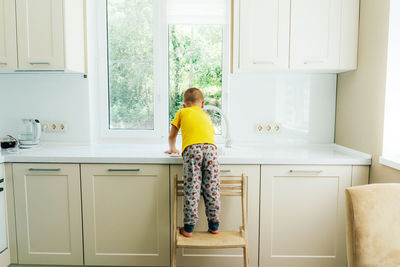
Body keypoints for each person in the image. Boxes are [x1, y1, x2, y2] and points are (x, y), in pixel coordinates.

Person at [165, 88, 220, 237]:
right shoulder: (206, 116)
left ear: (184, 105)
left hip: (192, 151)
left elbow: (172, 136)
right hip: (211, 150)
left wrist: (173, 149)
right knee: (212, 188)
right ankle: (214, 225)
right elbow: (207, 136)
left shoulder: (182, 113)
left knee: (192, 188)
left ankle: (189, 228)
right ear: (202, 104)